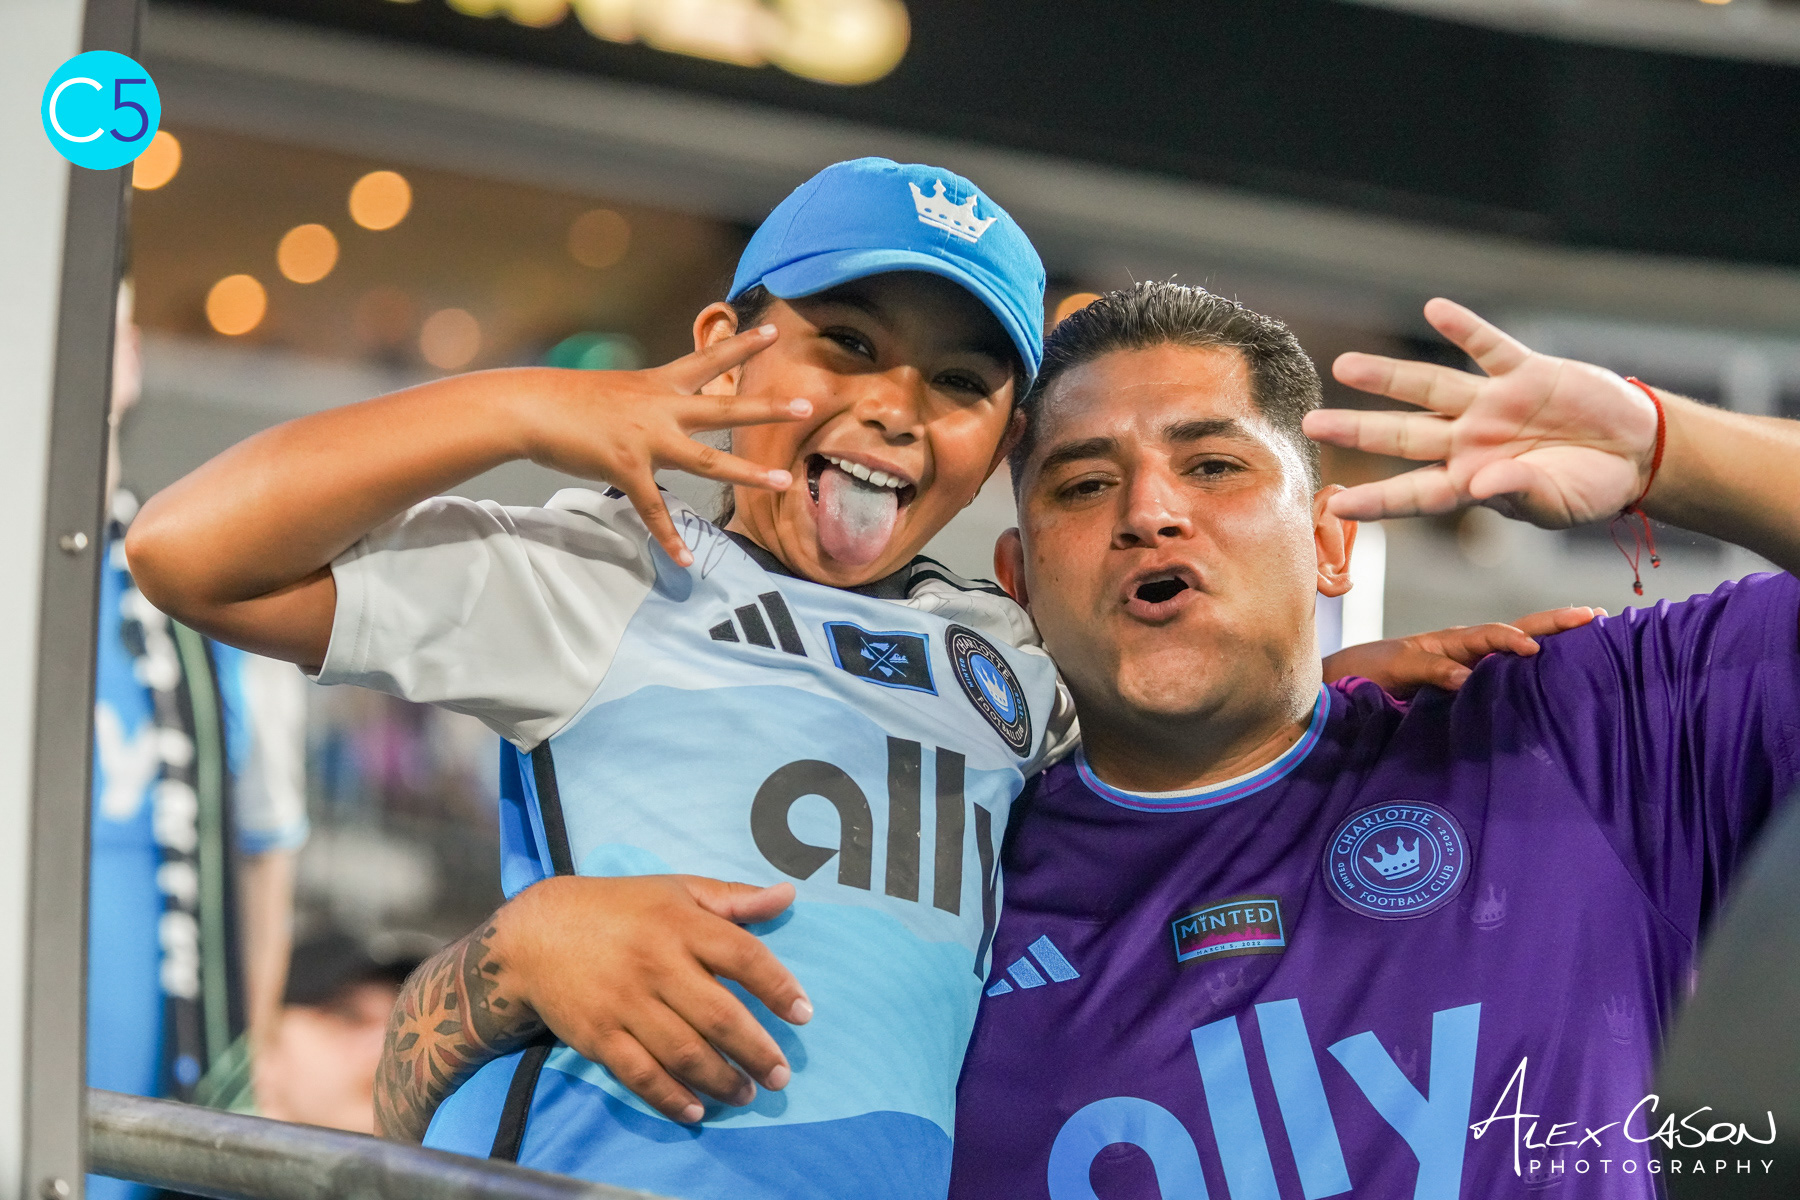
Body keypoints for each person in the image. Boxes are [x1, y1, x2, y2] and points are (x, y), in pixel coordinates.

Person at [125, 156, 1551, 1200]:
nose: (891, 407)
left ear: (997, 449)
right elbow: (192, 554)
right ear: (722, 349)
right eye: (848, 342)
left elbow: (1152, 744)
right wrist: (526, 407)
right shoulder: (607, 572)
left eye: (960, 383)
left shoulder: (1004, 661)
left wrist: (1326, 679)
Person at [408, 281, 1798, 1199]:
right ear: (1018, 583)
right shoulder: (948, 881)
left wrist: (1672, 452)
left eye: (1215, 465)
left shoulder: (1573, 731)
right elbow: (397, 1091)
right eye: (1085, 484)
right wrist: (510, 953)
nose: (1150, 513)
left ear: (1329, 543)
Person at [90, 284, 310, 1200]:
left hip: (144, 1141)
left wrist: (242, 1084)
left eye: (92, 322)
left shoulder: (205, 602)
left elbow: (265, 858)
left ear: (131, 355)